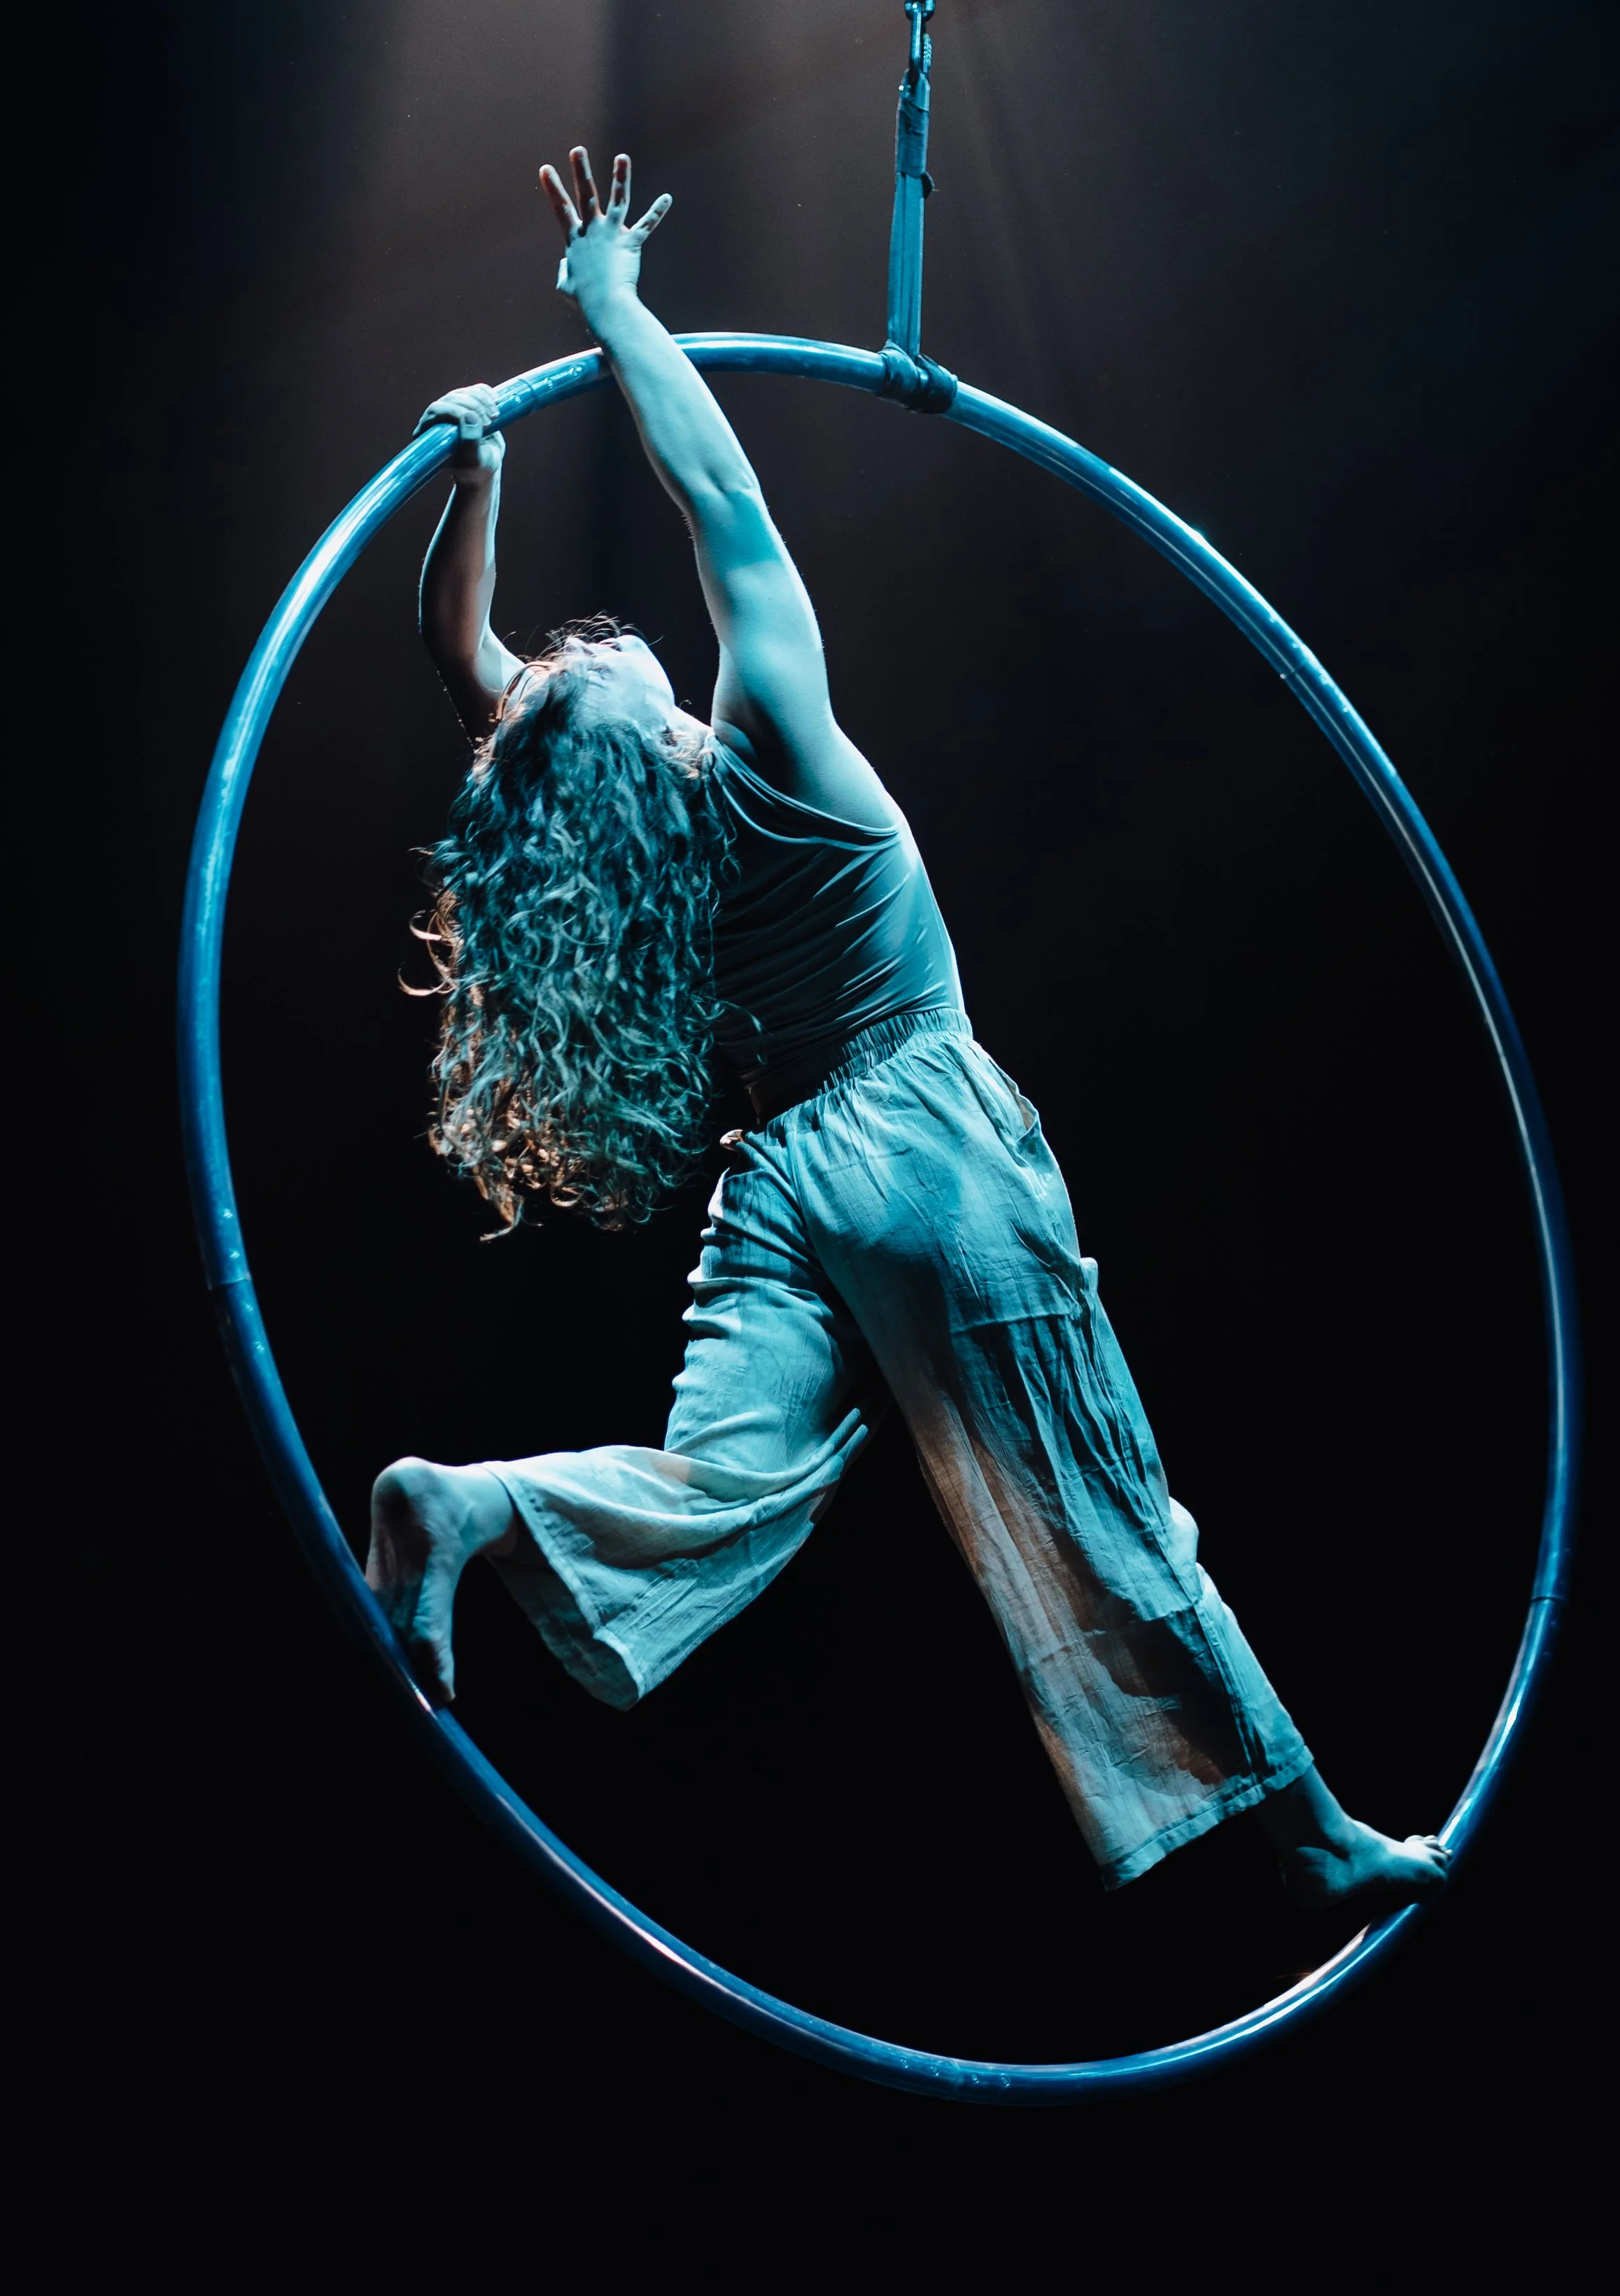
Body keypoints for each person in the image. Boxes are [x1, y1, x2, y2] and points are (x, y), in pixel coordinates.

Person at [366, 147, 1449, 1909]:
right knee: (1097, 1489)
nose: (610, 641)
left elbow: (459, 657)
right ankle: (1314, 1833)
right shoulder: (775, 746)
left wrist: (475, 476)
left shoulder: (627, 859)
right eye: (602, 654)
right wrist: (611, 304)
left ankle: (478, 1503)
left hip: (780, 1186)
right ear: (637, 728)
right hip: (922, 1146)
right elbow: (717, 487)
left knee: (726, 1473)